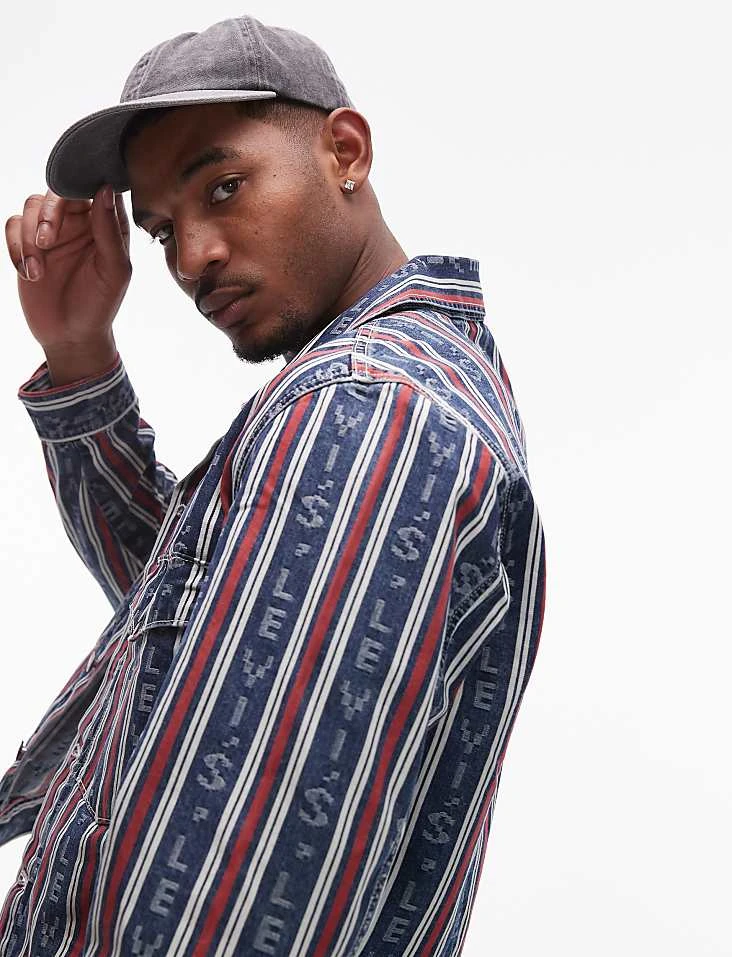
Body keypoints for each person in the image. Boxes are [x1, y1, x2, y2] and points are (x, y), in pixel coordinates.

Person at [0, 14, 546, 957]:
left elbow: (229, 902)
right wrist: (79, 354)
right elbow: (205, 619)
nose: (191, 258)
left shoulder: (366, 414)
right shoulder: (400, 394)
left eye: (224, 186)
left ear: (345, 151)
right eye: (163, 230)